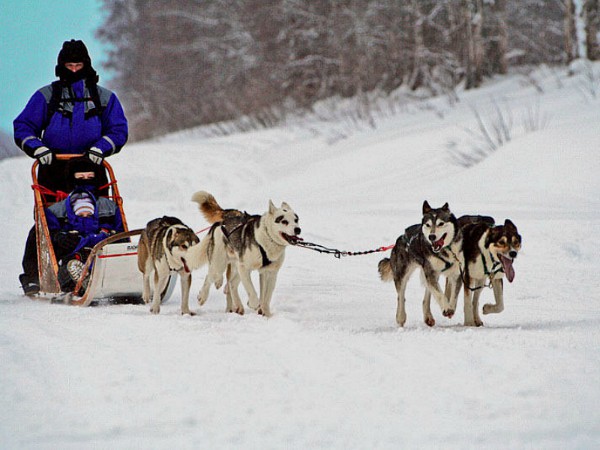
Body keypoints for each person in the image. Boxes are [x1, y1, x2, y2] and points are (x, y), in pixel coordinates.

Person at [14, 39, 128, 194]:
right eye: (69, 66)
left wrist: (100, 149)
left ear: (86, 66)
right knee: (54, 214)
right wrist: (38, 148)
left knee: (99, 214)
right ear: (62, 67)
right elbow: (23, 126)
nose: (74, 71)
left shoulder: (103, 97)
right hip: (53, 167)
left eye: (78, 65)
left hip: (91, 167)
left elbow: (118, 130)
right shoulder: (46, 96)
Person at [19, 157, 124, 295]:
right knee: (67, 260)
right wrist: (59, 237)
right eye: (81, 177)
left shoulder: (109, 206)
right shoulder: (57, 210)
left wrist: (114, 236)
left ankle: (122, 277)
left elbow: (121, 232)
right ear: (72, 179)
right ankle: (76, 283)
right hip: (74, 252)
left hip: (103, 249)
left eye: (90, 177)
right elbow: (50, 235)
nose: (86, 180)